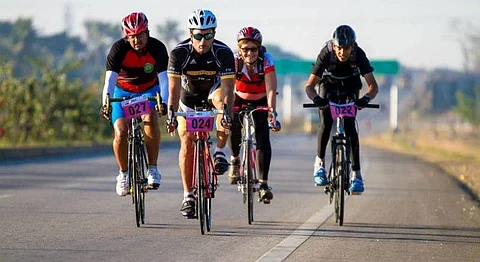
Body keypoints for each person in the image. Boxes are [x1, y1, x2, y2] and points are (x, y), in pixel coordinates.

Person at [166, 9, 235, 218]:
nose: (203, 41)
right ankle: (188, 196)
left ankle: (220, 152)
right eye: (198, 35)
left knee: (222, 105)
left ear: (214, 33)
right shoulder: (179, 53)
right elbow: (173, 91)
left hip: (213, 93)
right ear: (190, 34)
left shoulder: (223, 53)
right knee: (186, 141)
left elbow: (229, 91)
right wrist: (171, 114)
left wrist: (227, 114)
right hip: (188, 98)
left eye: (207, 35)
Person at [304, 25, 379, 194]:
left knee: (350, 126)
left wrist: (365, 99)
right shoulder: (326, 53)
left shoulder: (358, 54)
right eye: (339, 48)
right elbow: (309, 86)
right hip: (328, 87)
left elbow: (373, 86)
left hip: (350, 86)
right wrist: (317, 99)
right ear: (334, 45)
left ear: (352, 46)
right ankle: (319, 165)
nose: (342, 52)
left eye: (346, 48)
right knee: (326, 121)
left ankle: (356, 175)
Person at [101, 12, 169, 196]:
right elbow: (109, 81)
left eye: (140, 35)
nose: (136, 40)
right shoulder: (118, 49)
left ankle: (153, 168)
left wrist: (163, 102)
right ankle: (123, 174)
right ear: (126, 37)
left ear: (147, 32)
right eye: (131, 37)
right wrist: (106, 102)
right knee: (121, 131)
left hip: (148, 90)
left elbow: (164, 80)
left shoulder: (157, 48)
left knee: (150, 117)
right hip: (122, 92)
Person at [227, 26, 280, 203]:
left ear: (259, 48)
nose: (249, 53)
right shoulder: (234, 61)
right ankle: (234, 160)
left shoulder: (266, 60)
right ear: (239, 50)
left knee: (263, 135)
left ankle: (263, 184)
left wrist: (272, 113)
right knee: (233, 124)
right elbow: (226, 88)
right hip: (239, 98)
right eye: (245, 49)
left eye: (253, 49)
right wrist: (226, 110)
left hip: (261, 100)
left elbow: (271, 90)